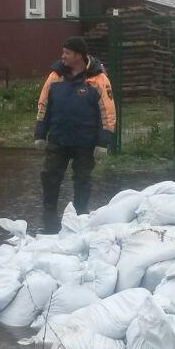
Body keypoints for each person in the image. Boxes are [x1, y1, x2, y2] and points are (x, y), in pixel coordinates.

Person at [34, 37, 115, 230]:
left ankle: (81, 215)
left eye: (67, 53)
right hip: (58, 139)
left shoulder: (98, 79)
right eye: (63, 52)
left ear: (79, 56)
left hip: (85, 142)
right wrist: (39, 133)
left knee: (82, 179)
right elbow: (43, 104)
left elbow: (108, 111)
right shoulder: (55, 76)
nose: (62, 56)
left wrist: (103, 142)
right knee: (50, 176)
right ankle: (49, 213)